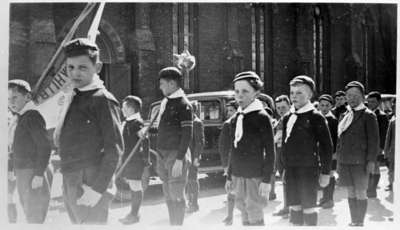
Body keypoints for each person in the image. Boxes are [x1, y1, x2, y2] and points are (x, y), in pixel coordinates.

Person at [54, 38, 124, 224]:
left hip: (90, 181)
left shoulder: (102, 100)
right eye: (70, 67)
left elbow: (114, 149)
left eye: (82, 67)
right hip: (71, 177)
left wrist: (98, 189)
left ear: (98, 67)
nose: (75, 73)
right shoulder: (75, 97)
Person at [281, 76, 333, 226]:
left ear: (309, 95)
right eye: (292, 93)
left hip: (308, 170)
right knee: (294, 205)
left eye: (299, 93)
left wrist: (325, 172)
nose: (294, 97)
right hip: (291, 170)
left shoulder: (316, 117)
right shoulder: (288, 118)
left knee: (308, 206)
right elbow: (285, 146)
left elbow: (326, 147)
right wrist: (284, 167)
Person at [225, 71, 275, 226]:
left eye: (245, 91)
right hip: (238, 174)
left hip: (255, 175)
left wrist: (267, 179)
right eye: (237, 91)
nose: (239, 96)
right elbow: (234, 149)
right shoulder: (236, 118)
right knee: (242, 208)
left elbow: (270, 151)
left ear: (256, 93)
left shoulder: (261, 117)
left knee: (254, 209)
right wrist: (229, 175)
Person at [152, 66, 193, 225]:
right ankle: (172, 224)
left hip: (175, 155)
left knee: (176, 193)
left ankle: (178, 225)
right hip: (162, 153)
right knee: (168, 193)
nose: (160, 87)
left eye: (162, 84)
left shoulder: (183, 104)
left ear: (171, 84)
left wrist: (179, 159)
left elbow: (187, 134)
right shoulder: (167, 102)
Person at [8, 79, 52, 223]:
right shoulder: (21, 117)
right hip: (23, 172)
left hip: (32, 172)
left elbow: (44, 146)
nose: (11, 102)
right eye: (8, 99)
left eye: (15, 97)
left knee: (34, 215)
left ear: (27, 97)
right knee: (29, 212)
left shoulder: (32, 116)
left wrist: (39, 174)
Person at [336, 81, 379, 227]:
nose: (352, 98)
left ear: (362, 96)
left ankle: (360, 222)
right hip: (345, 160)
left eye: (355, 95)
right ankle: (354, 220)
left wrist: (371, 161)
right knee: (350, 191)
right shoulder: (345, 114)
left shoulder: (368, 115)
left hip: (361, 162)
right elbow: (340, 139)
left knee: (361, 192)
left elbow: (374, 141)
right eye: (349, 95)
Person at [118, 95, 150, 224]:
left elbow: (146, 141)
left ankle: (134, 215)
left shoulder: (137, 123)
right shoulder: (127, 122)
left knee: (136, 187)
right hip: (128, 159)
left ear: (131, 108)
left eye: (124, 107)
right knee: (132, 186)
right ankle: (133, 213)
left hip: (135, 160)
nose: (122, 109)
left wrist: (146, 160)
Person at [366, 91, 389, 198]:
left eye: (373, 102)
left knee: (375, 167)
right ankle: (368, 188)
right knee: (368, 167)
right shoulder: (366, 113)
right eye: (369, 101)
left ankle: (372, 189)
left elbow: (384, 133)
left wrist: (381, 148)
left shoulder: (382, 116)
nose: (370, 104)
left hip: (376, 146)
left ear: (379, 102)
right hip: (366, 146)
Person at [317, 94, 338, 209]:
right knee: (322, 175)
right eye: (322, 105)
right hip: (319, 152)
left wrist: (334, 153)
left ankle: (329, 199)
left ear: (331, 106)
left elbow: (335, 138)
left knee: (329, 175)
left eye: (327, 105)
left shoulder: (333, 120)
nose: (324, 108)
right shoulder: (317, 118)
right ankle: (324, 197)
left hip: (330, 153)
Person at [218, 100, 237, 225]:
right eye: (228, 111)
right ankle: (230, 216)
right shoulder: (227, 125)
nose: (229, 113)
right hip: (232, 161)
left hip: (245, 163)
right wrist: (225, 165)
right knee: (231, 190)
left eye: (232, 110)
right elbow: (223, 147)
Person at [271, 95, 291, 218]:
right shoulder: (280, 120)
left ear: (289, 106)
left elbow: (276, 137)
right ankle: (287, 206)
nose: (281, 110)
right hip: (279, 152)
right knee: (284, 181)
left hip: (287, 153)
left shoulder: (290, 119)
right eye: (278, 108)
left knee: (288, 180)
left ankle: (290, 207)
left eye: (283, 107)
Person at [186, 100, 205, 213]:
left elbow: (200, 141)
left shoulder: (197, 122)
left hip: (193, 156)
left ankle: (194, 204)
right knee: (188, 180)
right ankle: (190, 202)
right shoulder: (188, 122)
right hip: (187, 155)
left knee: (192, 180)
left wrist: (196, 157)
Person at [384, 107, 395, 192]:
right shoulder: (393, 121)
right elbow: (388, 137)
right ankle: (391, 184)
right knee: (391, 169)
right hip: (394, 150)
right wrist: (386, 151)